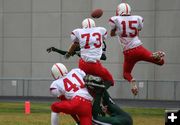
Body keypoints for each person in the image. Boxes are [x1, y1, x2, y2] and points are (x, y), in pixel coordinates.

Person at [109, 3, 165, 95]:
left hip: (128, 53)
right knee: (161, 62)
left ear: (119, 10)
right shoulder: (137, 18)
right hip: (139, 48)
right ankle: (157, 56)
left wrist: (117, 30)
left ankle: (132, 81)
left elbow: (112, 34)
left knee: (126, 74)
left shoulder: (115, 20)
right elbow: (138, 31)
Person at [64, 18, 114, 89]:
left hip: (83, 64)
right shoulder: (101, 30)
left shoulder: (78, 32)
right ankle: (98, 95)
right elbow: (101, 39)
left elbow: (74, 45)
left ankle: (88, 90)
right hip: (95, 65)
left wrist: (68, 54)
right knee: (110, 81)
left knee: (83, 83)